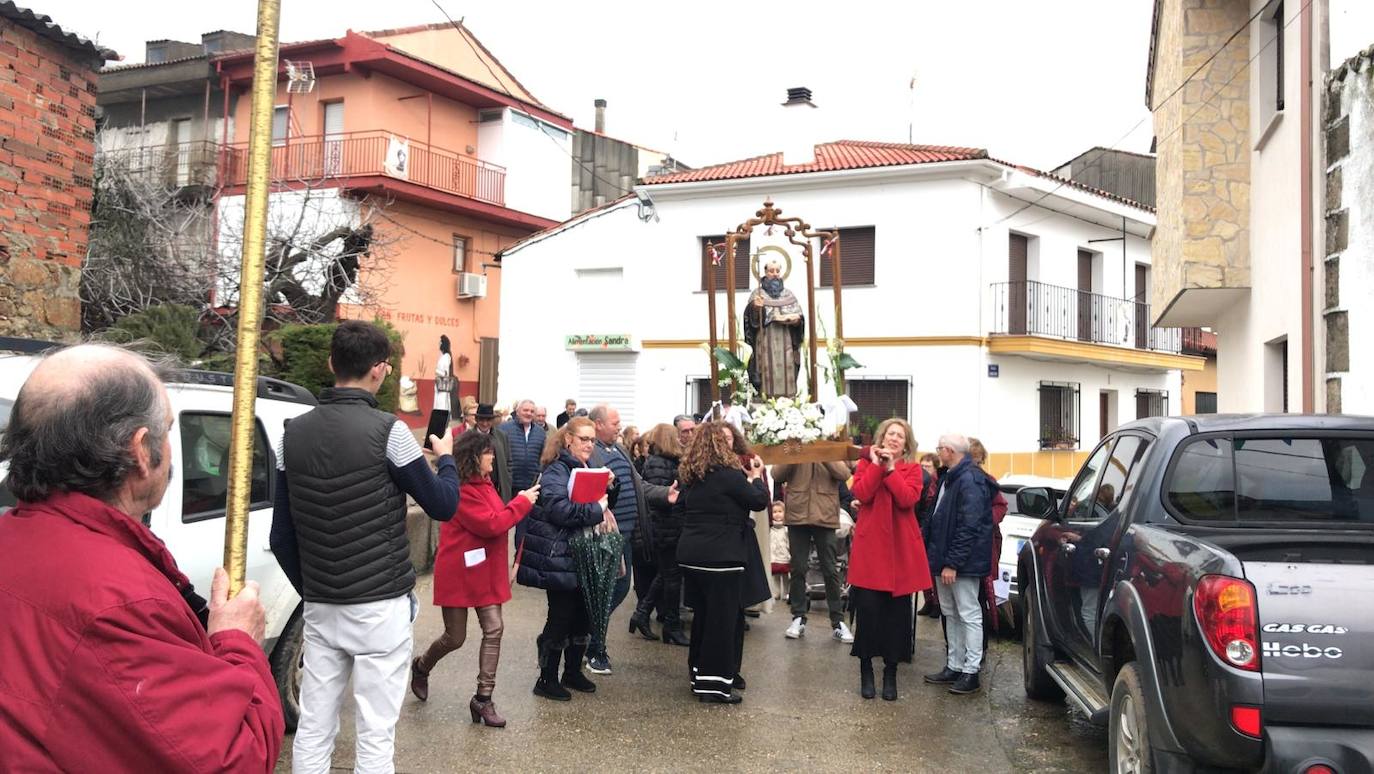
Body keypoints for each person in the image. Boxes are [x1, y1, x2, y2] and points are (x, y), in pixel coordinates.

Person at [0, 344, 284, 771]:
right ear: (140, 451)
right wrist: (239, 643)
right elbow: (235, 760)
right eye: (168, 431)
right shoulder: (121, 603)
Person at [270, 320, 461, 773]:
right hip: (381, 606)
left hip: (321, 604)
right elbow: (442, 505)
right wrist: (448, 456)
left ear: (332, 362)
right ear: (381, 370)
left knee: (315, 726)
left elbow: (281, 537)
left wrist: (315, 586)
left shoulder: (290, 433)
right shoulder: (390, 431)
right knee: (376, 734)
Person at [411, 432, 540, 727]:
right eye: (487, 453)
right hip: (460, 573)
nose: (492, 457)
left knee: (494, 629)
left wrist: (518, 503)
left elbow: (496, 519)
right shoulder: (463, 489)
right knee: (454, 638)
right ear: (473, 457)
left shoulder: (485, 485)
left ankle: (483, 698)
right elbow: (492, 524)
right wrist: (521, 502)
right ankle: (421, 665)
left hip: (485, 573)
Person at [515, 417, 616, 701]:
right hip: (559, 553)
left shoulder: (588, 467)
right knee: (560, 617)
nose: (589, 444)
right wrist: (596, 507)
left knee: (583, 616)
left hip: (582, 552)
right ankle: (546, 678)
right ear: (568, 439)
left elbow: (603, 505)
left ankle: (572, 671)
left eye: (592, 440)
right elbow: (559, 510)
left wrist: (611, 486)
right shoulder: (556, 470)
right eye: (583, 439)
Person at [676, 421, 771, 704]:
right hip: (722, 557)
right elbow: (758, 501)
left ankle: (698, 675)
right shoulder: (729, 475)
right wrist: (756, 476)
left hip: (692, 555)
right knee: (722, 621)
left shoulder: (692, 474)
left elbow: (681, 506)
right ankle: (715, 686)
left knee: (703, 619)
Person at [586, 404, 675, 674]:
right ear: (598, 424)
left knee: (620, 588)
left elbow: (639, 484)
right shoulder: (593, 453)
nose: (618, 426)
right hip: (605, 535)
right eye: (614, 422)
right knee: (603, 591)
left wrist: (665, 493)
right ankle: (593, 646)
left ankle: (587, 635)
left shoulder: (620, 450)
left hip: (626, 534)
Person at [848, 419, 932, 701]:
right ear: (881, 438)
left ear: (906, 444)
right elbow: (862, 493)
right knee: (868, 613)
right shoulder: (865, 465)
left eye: (900, 436)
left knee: (897, 618)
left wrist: (891, 470)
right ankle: (866, 669)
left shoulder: (913, 470)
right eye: (890, 434)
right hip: (871, 552)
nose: (895, 438)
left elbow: (907, 499)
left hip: (900, 554)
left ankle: (891, 672)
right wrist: (875, 466)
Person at [922, 434, 996, 696]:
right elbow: (937, 519)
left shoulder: (969, 480)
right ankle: (954, 665)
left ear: (949, 450)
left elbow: (969, 526)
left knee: (968, 613)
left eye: (939, 447)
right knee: (951, 613)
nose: (937, 451)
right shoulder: (950, 477)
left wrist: (952, 562)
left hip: (959, 564)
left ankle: (971, 670)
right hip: (945, 561)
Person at [772, 459, 854, 643]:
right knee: (798, 568)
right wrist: (795, 453)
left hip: (825, 515)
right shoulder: (796, 444)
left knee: (830, 569)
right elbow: (777, 474)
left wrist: (824, 455)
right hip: (797, 514)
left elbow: (844, 474)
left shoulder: (830, 447)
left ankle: (838, 621)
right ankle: (798, 617)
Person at [635, 423, 688, 645]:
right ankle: (671, 626)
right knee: (671, 577)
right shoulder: (658, 463)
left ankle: (642, 614)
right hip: (666, 527)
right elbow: (656, 498)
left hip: (669, 526)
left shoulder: (662, 461)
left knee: (667, 575)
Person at [743, 257, 805, 397]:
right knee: (765, 371)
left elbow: (799, 318)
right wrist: (754, 308)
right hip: (765, 341)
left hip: (786, 342)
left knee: (787, 369)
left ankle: (788, 399)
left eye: (778, 271)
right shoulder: (758, 294)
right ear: (765, 273)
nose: (775, 274)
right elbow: (751, 322)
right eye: (772, 271)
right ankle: (765, 399)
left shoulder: (789, 294)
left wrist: (795, 321)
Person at [968, 438, 1009, 648]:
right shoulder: (951, 479)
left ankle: (980, 649)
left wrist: (982, 521)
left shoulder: (988, 480)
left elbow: (1000, 506)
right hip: (963, 548)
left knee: (980, 599)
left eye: (976, 460)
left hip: (983, 548)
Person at [460, 403, 513, 503]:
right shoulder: (466, 438)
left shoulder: (502, 436)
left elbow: (509, 461)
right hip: (476, 491)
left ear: (492, 420)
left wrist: (507, 480)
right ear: (476, 419)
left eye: (488, 420)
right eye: (481, 420)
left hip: (499, 489)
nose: (485, 423)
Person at [500, 399, 547, 496]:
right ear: (517, 412)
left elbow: (543, 458)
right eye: (525, 410)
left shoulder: (540, 433)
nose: (529, 413)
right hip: (509, 486)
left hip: (531, 486)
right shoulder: (504, 429)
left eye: (532, 411)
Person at [916, 451, 943, 617]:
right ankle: (928, 600)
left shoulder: (936, 483)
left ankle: (937, 603)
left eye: (928, 466)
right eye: (922, 466)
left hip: (932, 530)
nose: (924, 469)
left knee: (932, 569)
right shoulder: (922, 481)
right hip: (921, 528)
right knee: (923, 567)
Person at [426, 334, 455, 445]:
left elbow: (444, 372)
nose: (438, 344)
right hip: (439, 387)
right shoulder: (443, 356)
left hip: (442, 387)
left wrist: (438, 373)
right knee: (439, 407)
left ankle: (440, 435)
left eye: (440, 342)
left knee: (441, 407)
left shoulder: (446, 356)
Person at [768, 502, 791, 600]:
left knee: (785, 576)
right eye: (774, 512)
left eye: (780, 511)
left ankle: (786, 593)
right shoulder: (770, 529)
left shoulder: (786, 529)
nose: (777, 514)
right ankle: (776, 593)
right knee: (775, 575)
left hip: (785, 556)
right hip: (773, 556)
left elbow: (789, 543)